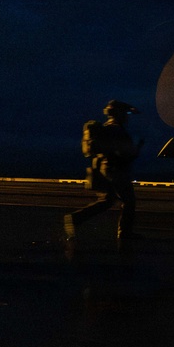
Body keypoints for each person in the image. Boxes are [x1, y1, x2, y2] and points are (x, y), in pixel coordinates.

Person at [65, 100, 144, 241]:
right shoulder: (117, 130)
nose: (127, 117)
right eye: (125, 113)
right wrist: (137, 148)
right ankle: (124, 233)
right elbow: (125, 153)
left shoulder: (107, 128)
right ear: (119, 114)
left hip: (106, 169)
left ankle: (75, 218)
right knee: (129, 201)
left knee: (107, 200)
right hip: (116, 170)